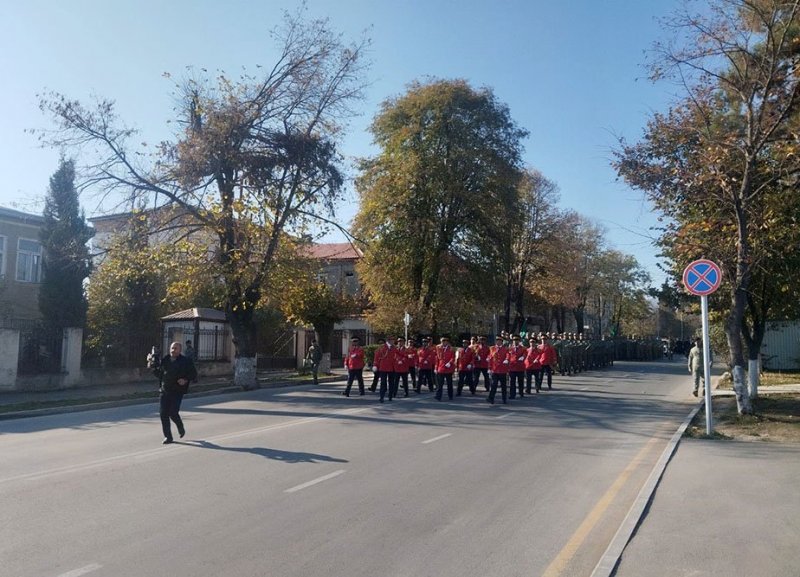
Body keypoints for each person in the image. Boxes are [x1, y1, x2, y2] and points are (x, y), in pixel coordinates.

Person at [153, 341, 197, 444]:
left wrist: (185, 379)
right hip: (165, 390)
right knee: (163, 414)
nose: (173, 350)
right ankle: (168, 437)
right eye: (172, 348)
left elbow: (193, 374)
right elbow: (159, 374)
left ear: (180, 350)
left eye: (175, 348)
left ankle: (180, 426)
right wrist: (152, 365)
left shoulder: (185, 361)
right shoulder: (165, 360)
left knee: (173, 412)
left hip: (177, 391)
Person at [487, 335, 509, 404]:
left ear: (502, 342)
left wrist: (507, 359)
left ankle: (504, 399)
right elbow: (490, 358)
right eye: (497, 341)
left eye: (499, 341)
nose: (498, 342)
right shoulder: (492, 348)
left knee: (503, 386)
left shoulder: (505, 349)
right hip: (495, 370)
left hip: (502, 370)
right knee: (494, 385)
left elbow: (508, 355)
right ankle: (491, 398)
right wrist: (489, 368)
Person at [373, 338, 395, 402]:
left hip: (391, 367)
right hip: (383, 367)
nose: (393, 341)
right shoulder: (382, 347)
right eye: (392, 340)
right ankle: (381, 397)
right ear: (388, 341)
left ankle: (390, 396)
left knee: (391, 382)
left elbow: (398, 354)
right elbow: (376, 356)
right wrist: (375, 365)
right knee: (383, 383)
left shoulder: (394, 348)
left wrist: (407, 356)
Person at [434, 336, 456, 401]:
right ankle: (438, 396)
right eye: (442, 341)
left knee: (449, 383)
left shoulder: (451, 349)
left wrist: (450, 363)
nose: (442, 343)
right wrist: (436, 368)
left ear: (447, 342)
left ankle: (450, 395)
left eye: (444, 341)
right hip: (440, 368)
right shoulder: (439, 348)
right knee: (439, 384)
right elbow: (437, 359)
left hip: (448, 369)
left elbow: (453, 357)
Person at [508, 334, 526, 399]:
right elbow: (507, 356)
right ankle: (512, 394)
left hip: (520, 367)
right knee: (512, 382)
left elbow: (525, 354)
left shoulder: (523, 348)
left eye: (517, 340)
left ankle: (521, 393)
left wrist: (523, 356)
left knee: (520, 381)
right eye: (514, 340)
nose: (515, 341)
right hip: (512, 367)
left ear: (519, 340)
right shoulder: (509, 348)